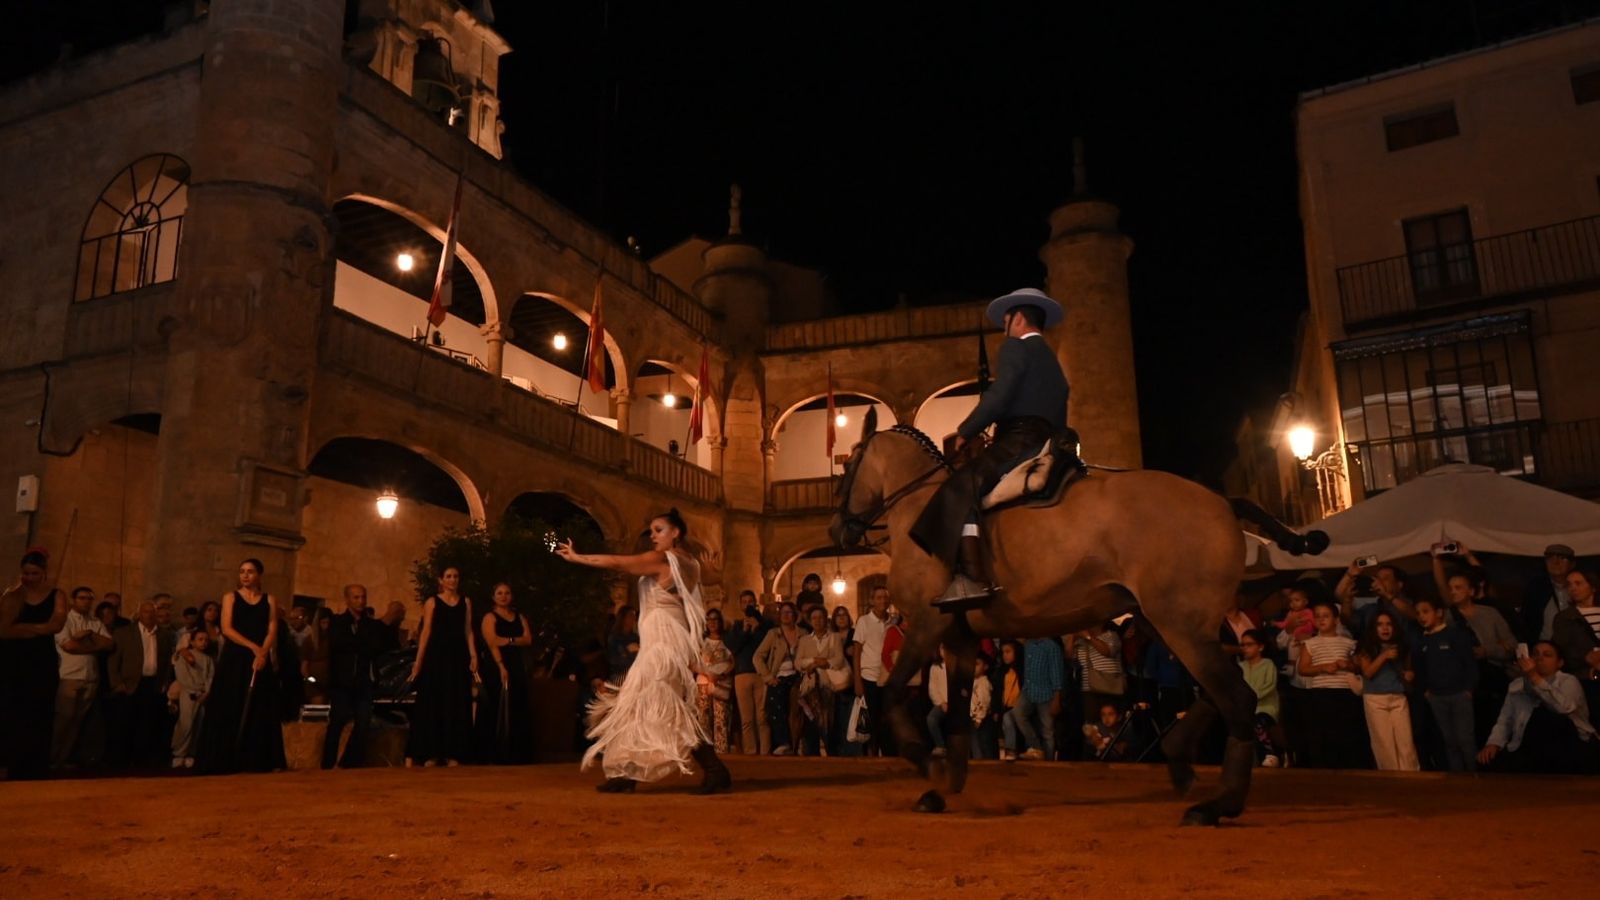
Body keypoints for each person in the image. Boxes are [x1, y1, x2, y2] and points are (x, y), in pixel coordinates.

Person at [909, 288, 1070, 611]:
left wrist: (966, 431)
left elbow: (1000, 394)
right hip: (1047, 440)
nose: (1004, 327)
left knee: (960, 487)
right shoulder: (1051, 358)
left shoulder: (1015, 347)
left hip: (1018, 440)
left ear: (1019, 318)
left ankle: (972, 579)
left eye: (1007, 320)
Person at [558, 509, 731, 794]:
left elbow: (617, 563)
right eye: (651, 530)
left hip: (663, 643)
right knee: (637, 703)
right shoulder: (693, 563)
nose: (652, 535)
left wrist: (578, 558)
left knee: (663, 705)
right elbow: (715, 575)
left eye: (658, 529)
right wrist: (714, 567)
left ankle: (714, 768)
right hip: (667, 639)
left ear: (676, 532)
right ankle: (628, 772)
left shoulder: (662, 560)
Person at [195, 558, 286, 774]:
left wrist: (263, 652)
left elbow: (272, 628)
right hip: (236, 657)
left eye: (250, 571)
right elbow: (226, 628)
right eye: (242, 571)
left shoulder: (270, 600)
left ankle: (257, 759)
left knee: (260, 706)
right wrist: (253, 647)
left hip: (259, 658)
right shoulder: (230, 597)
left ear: (259, 575)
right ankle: (224, 758)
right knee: (230, 703)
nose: (245, 575)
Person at [1478, 641, 1598, 773]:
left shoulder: (1568, 681)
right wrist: (1494, 743)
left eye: (1547, 655)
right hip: (1527, 744)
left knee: (1548, 719)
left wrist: (1534, 677)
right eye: (1535, 654)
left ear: (1560, 663)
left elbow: (1563, 708)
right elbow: (1505, 719)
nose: (1539, 658)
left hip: (1568, 743)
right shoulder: (1517, 684)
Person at [1, 547, 68, 779]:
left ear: (43, 573)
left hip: (42, 662)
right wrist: (39, 629)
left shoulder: (57, 595)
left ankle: (37, 766)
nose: (29, 578)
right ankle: (13, 764)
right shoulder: (12, 595)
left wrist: (23, 628)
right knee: (14, 712)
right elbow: (5, 631)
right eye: (26, 573)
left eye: (34, 573)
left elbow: (56, 625)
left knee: (41, 711)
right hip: (14, 662)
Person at [406, 566, 477, 767]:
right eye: (448, 576)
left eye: (455, 576)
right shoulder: (432, 602)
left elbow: (468, 629)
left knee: (456, 702)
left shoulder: (466, 602)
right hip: (436, 658)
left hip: (458, 657)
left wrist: (473, 655)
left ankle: (454, 752)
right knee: (434, 702)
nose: (452, 580)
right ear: (441, 580)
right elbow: (426, 631)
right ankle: (431, 752)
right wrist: (418, 662)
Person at [1297, 600, 1367, 768]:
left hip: (1344, 691)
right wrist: (1323, 667)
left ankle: (1347, 766)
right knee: (1323, 732)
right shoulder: (1310, 643)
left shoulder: (1349, 642)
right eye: (1318, 616)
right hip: (1321, 691)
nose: (1321, 620)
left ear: (1336, 620)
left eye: (1326, 616)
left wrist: (1348, 665)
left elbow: (1359, 667)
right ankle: (1325, 767)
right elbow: (1303, 669)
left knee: (1345, 731)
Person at [1412, 596, 1479, 772]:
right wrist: (1427, 691)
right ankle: (1457, 778)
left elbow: (1469, 664)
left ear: (1439, 612)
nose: (1421, 617)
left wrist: (1468, 689)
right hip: (1437, 696)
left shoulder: (1455, 634)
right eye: (1418, 613)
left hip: (1459, 694)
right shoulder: (1421, 641)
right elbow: (1420, 670)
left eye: (1425, 611)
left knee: (1465, 739)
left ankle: (1474, 775)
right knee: (1449, 740)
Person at [107, 599, 175, 768]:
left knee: (147, 723)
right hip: (129, 684)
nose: (149, 615)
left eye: (153, 612)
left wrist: (164, 682)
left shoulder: (165, 635)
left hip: (153, 684)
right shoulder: (124, 633)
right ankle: (120, 760)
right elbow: (113, 660)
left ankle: (142, 759)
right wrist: (116, 682)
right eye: (146, 612)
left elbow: (167, 662)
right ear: (139, 614)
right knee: (125, 723)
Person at [322, 585, 385, 769]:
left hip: (363, 681)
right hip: (342, 682)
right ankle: (327, 764)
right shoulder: (338, 622)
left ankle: (350, 762)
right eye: (356, 597)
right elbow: (339, 645)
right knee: (337, 722)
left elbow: (375, 647)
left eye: (363, 597)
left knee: (363, 722)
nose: (360, 601)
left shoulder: (370, 624)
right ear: (347, 599)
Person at [53, 585, 113, 770]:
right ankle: (50, 758)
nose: (86, 601)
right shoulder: (64, 620)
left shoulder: (94, 622)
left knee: (77, 721)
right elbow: (69, 646)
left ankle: (61, 760)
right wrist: (93, 645)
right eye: (82, 598)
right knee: (64, 719)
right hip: (70, 676)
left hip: (90, 677)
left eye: (89, 598)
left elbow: (109, 644)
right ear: (73, 599)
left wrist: (87, 636)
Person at [475, 582, 535, 765]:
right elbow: (492, 642)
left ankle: (516, 753)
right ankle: (493, 753)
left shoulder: (519, 617)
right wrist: (501, 666)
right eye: (499, 593)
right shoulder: (489, 617)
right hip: (496, 665)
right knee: (495, 705)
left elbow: (528, 639)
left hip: (517, 665)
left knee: (518, 704)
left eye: (507, 593)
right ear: (493, 597)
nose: (503, 596)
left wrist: (508, 640)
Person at [1355, 610, 1419, 771]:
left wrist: (1409, 675)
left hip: (1398, 696)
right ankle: (1390, 779)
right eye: (1380, 625)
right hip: (1375, 698)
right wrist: (1384, 656)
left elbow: (1407, 672)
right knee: (1384, 743)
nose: (1385, 628)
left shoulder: (1402, 647)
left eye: (1389, 624)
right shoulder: (1367, 647)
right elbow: (1368, 672)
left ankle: (1411, 778)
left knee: (1406, 742)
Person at [754, 601, 804, 756]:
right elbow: (758, 657)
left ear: (794, 615)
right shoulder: (773, 634)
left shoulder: (803, 634)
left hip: (798, 676)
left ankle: (796, 745)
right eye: (783, 613)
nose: (786, 616)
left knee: (797, 713)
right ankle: (783, 743)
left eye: (789, 612)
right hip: (779, 677)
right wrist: (768, 677)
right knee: (776, 710)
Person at [723, 595, 771, 755]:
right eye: (744, 602)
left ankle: (765, 753)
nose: (748, 604)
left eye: (750, 601)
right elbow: (732, 647)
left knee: (762, 717)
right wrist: (744, 631)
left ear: (755, 604)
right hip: (742, 674)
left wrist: (757, 629)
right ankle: (750, 752)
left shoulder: (765, 625)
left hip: (761, 674)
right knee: (747, 719)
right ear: (740, 605)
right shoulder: (736, 626)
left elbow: (767, 646)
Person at [1005, 636, 1064, 760]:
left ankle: (1048, 761)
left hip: (1046, 692)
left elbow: (1056, 672)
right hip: (1028, 689)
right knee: (1018, 713)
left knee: (1047, 731)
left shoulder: (1051, 646)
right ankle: (1036, 747)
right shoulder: (1028, 645)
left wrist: (1056, 696)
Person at [1551, 568, 1600, 717]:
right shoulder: (1565, 618)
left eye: (1578, 583)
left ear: (1592, 587)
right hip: (1588, 679)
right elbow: (1562, 649)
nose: (1572, 588)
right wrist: (1586, 658)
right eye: (1569, 584)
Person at [851, 586, 893, 756]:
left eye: (885, 597)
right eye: (879, 597)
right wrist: (857, 681)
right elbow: (857, 651)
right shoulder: (864, 621)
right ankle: (871, 755)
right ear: (872, 601)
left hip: (888, 678)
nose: (882, 601)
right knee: (871, 720)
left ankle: (887, 754)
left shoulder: (892, 622)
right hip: (869, 677)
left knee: (887, 719)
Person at [1237, 629, 1283, 767]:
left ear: (1260, 647)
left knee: (1258, 721)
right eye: (1243, 645)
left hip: (1265, 707)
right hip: (1246, 708)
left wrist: (1250, 697)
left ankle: (1270, 753)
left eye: (1249, 644)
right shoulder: (1240, 666)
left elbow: (1269, 685)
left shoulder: (1268, 664)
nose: (1245, 648)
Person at [170, 628, 214, 768]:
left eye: (206, 640)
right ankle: (179, 753)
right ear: (193, 642)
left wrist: (206, 692)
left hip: (202, 696)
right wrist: (192, 690)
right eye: (200, 639)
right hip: (189, 694)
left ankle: (191, 753)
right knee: (186, 723)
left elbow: (210, 677)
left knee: (198, 724)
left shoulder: (208, 659)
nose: (203, 643)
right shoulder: (184, 657)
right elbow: (182, 676)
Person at [694, 608, 735, 754]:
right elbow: (692, 662)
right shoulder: (700, 642)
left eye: (715, 619)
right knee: (703, 716)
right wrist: (707, 673)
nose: (712, 623)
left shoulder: (727, 641)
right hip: (703, 682)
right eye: (709, 620)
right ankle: (706, 750)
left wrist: (721, 674)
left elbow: (733, 662)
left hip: (721, 683)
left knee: (721, 716)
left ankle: (721, 750)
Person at [1523, 544, 1576, 643]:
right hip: (1544, 647)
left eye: (1562, 558)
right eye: (1550, 558)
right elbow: (1526, 622)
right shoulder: (1536, 588)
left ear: (1572, 564)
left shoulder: (1580, 588)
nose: (1555, 562)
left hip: (1575, 648)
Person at [994, 640, 1023, 760]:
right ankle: (1010, 751)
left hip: (1019, 707)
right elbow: (997, 692)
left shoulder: (1022, 671)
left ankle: (1011, 751)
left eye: (1008, 652)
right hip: (1005, 707)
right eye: (1003, 652)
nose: (1005, 655)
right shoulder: (1001, 672)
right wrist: (995, 709)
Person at [607, 606, 641, 684]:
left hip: (634, 672)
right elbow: (614, 660)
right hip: (619, 674)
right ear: (623, 618)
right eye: (630, 615)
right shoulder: (614, 638)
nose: (634, 618)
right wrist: (628, 652)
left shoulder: (635, 637)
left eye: (634, 616)